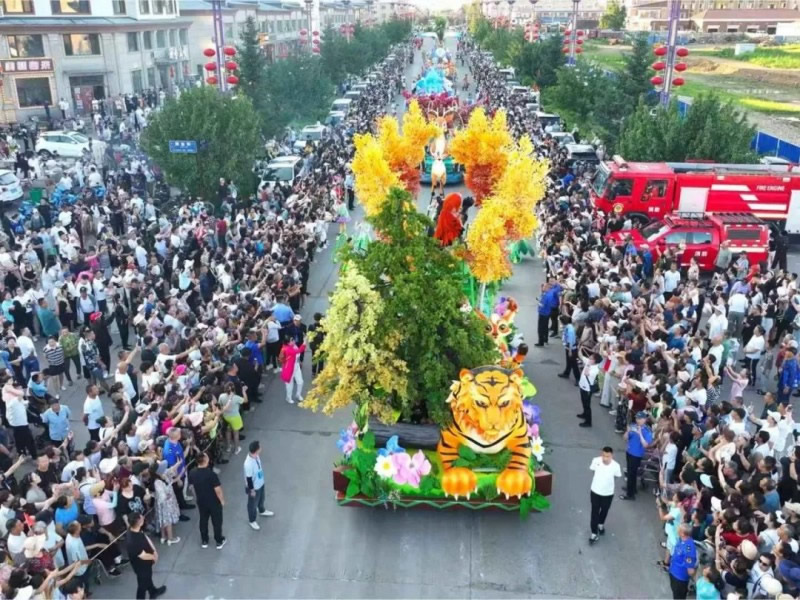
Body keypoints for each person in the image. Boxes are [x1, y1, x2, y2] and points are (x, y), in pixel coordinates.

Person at [188, 452, 226, 549]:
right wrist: (222, 500)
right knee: (217, 521)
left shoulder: (192, 472)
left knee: (203, 520)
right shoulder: (211, 474)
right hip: (213, 502)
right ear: (205, 460)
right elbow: (218, 490)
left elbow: (192, 487)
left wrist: (196, 497)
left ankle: (204, 540)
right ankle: (219, 540)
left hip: (201, 501)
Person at [126, 512, 166, 600]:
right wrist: (154, 557)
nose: (143, 518)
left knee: (147, 578)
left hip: (146, 563)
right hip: (141, 566)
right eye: (142, 518)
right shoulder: (133, 541)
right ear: (139, 522)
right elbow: (142, 555)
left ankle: (153, 592)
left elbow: (145, 537)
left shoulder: (135, 529)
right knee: (142, 585)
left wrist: (154, 551)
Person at [588, 446, 621, 544]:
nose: (605, 458)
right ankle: (594, 533)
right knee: (594, 512)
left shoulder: (616, 466)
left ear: (612, 456)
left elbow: (616, 477)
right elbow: (593, 471)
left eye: (607, 456)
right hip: (595, 491)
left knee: (604, 510)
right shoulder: (596, 461)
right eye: (603, 456)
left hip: (608, 493)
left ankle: (601, 524)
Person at [621, 411, 653, 501]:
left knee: (631, 474)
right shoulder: (633, 426)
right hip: (629, 452)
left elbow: (645, 445)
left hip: (636, 455)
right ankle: (632, 488)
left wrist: (640, 434)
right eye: (636, 418)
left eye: (639, 418)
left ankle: (630, 494)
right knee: (631, 472)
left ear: (644, 420)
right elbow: (625, 438)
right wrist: (627, 431)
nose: (637, 420)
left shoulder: (647, 430)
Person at [243, 440, 272, 530]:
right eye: (260, 447)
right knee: (252, 504)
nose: (261, 448)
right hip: (254, 487)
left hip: (260, 482)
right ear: (256, 450)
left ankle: (261, 510)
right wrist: (252, 490)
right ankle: (252, 520)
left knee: (261, 498)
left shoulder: (256, 456)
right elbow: (249, 479)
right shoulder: (248, 464)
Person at [668, 524, 697, 599]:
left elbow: (690, 570)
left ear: (683, 533)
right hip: (673, 572)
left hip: (680, 578)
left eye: (679, 529)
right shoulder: (681, 539)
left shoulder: (689, 549)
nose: (677, 530)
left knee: (679, 597)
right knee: (675, 593)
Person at [279, 338, 306, 405]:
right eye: (292, 340)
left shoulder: (293, 346)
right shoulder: (288, 349)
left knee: (300, 382)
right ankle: (288, 397)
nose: (294, 341)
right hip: (289, 368)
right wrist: (305, 342)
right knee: (289, 384)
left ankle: (298, 395)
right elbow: (299, 350)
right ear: (288, 343)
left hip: (296, 366)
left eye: (293, 339)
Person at [577, 353, 600, 428]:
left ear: (595, 360)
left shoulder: (596, 369)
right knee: (583, 402)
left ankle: (588, 422)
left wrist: (588, 365)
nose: (589, 359)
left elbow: (586, 373)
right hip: (582, 386)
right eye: (589, 358)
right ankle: (584, 414)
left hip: (587, 389)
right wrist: (581, 347)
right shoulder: (589, 362)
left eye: (591, 358)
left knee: (587, 405)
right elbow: (581, 355)